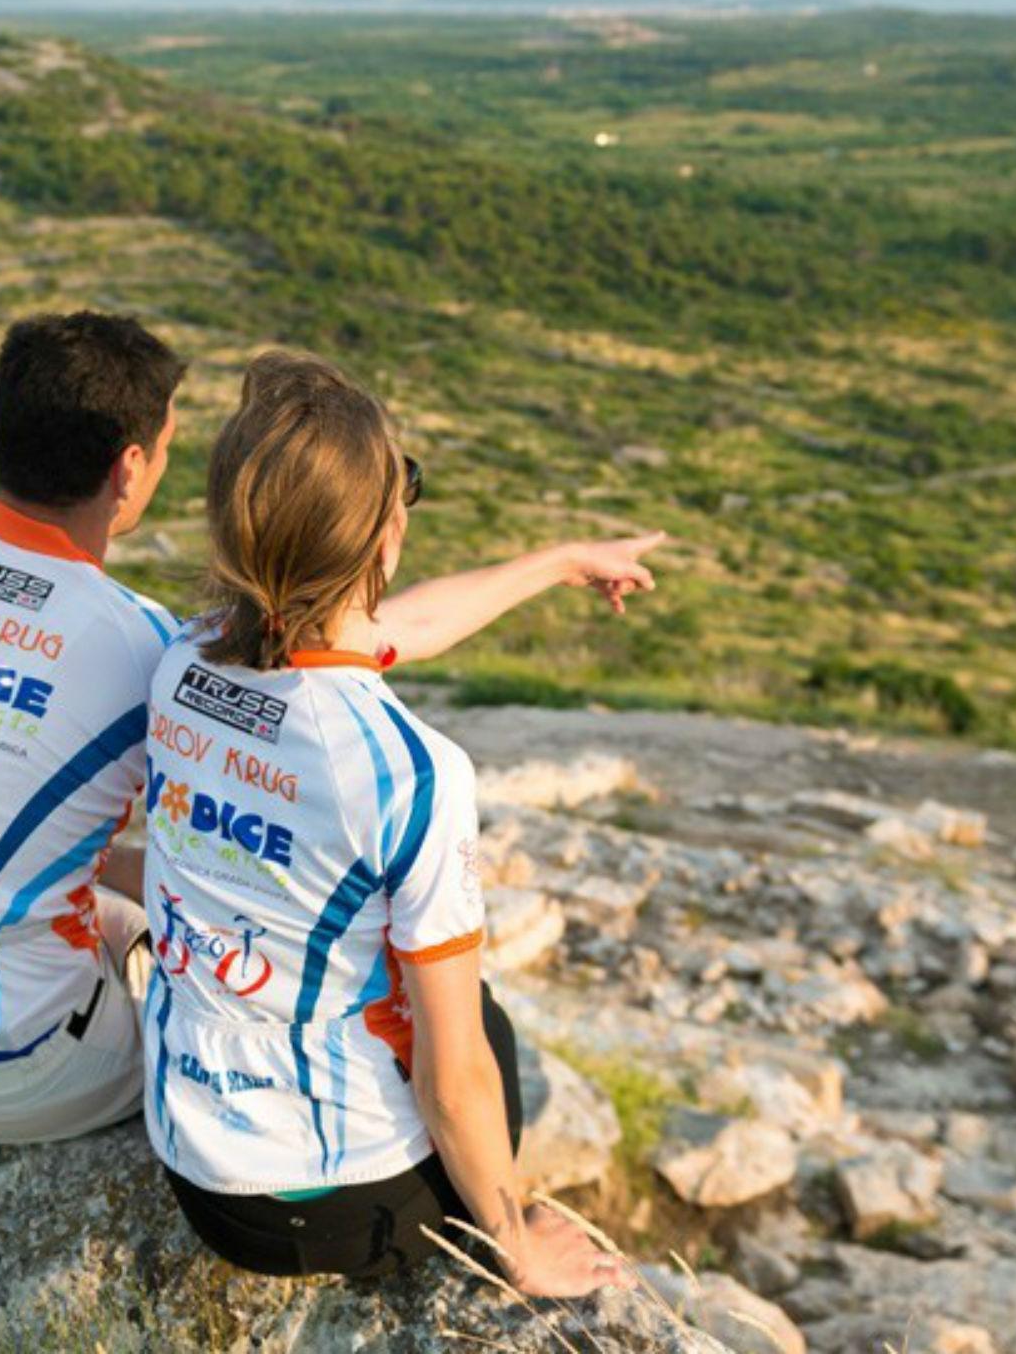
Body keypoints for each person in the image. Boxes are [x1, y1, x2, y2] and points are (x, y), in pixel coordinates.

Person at [0, 312, 661, 1149]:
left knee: (104, 892)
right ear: (129, 470)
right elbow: (363, 638)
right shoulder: (146, 653)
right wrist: (558, 562)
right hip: (31, 1073)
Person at [139, 351, 655, 1297]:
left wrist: (560, 563)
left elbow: (385, 632)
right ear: (386, 538)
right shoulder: (411, 775)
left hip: (196, 1170)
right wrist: (516, 1239)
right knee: (478, 1025)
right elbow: (452, 1078)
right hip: (333, 1205)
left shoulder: (183, 661)